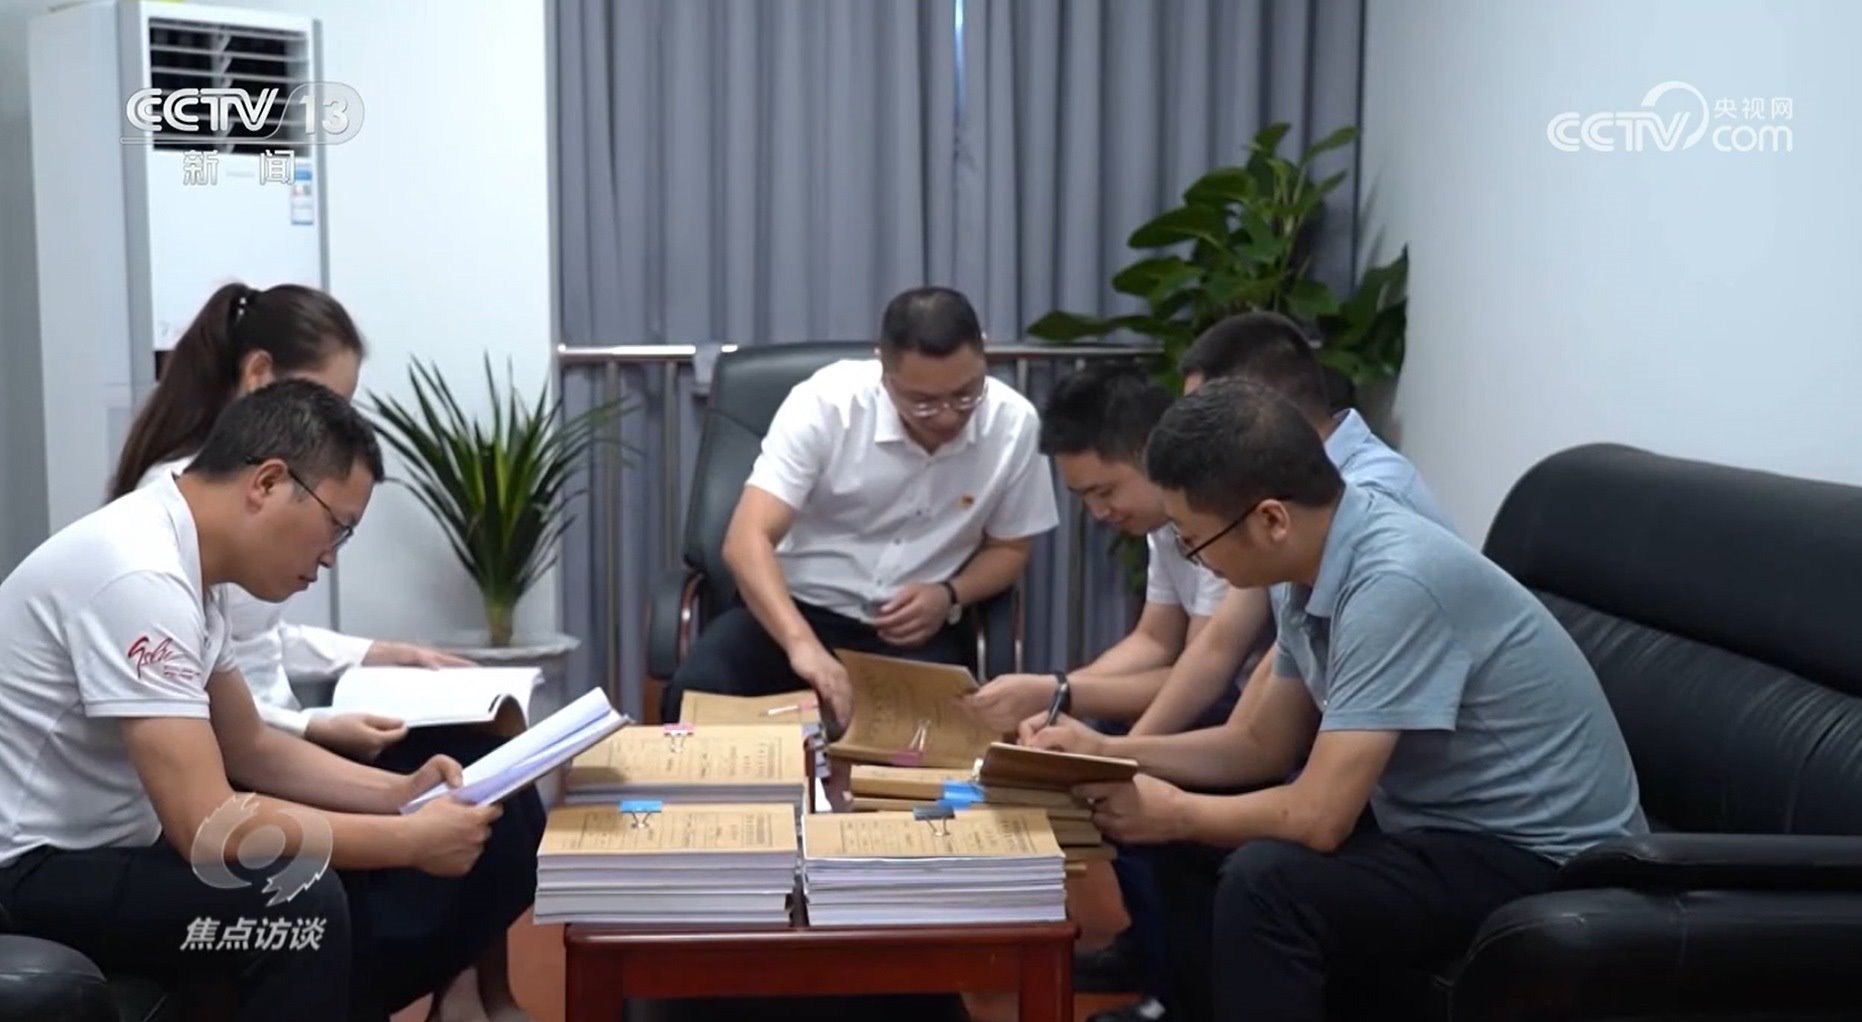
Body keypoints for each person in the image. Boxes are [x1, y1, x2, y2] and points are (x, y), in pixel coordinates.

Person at [1062, 378, 1648, 1022]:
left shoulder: (1392, 580)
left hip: (1541, 856)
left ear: (1271, 520)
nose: (1196, 560)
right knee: (1201, 834)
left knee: (1268, 883)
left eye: (1194, 540)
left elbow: (1320, 817)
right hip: (1441, 830)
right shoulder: (1302, 567)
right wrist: (1107, 752)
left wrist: (1175, 811)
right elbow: (1259, 744)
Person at [0, 380, 541, 1022]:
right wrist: (408, 840)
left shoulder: (186, 564)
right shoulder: (139, 573)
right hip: (28, 868)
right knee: (304, 901)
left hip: (103, 847)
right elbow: (205, 823)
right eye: (337, 527)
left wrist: (400, 793)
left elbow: (251, 746)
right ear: (268, 482)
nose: (331, 558)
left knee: (329, 863)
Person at [962, 363, 1262, 1022]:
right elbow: (1154, 642)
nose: (1099, 513)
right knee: (1099, 754)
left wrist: (1109, 751)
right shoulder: (1162, 527)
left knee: (1118, 777)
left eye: (1104, 491)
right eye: (1084, 499)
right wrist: (1059, 694)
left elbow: (1207, 662)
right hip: (1211, 699)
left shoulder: (1214, 517)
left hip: (1249, 713)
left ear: (1151, 451)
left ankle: (1174, 990)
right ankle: (1150, 966)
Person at [661, 286, 1061, 726]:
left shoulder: (1013, 426)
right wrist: (803, 646)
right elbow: (745, 540)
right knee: (698, 692)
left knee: (939, 735)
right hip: (795, 610)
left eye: (966, 394)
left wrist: (950, 594)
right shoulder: (827, 404)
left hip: (914, 628)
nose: (948, 415)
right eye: (923, 402)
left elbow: (1010, 548)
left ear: (984, 352)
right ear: (883, 369)